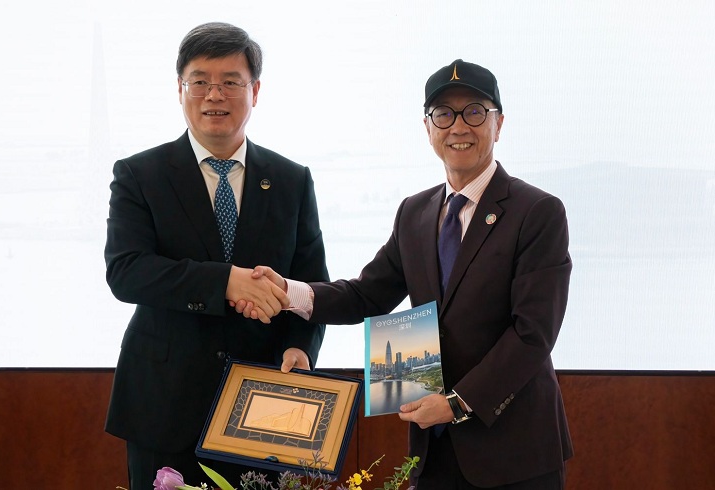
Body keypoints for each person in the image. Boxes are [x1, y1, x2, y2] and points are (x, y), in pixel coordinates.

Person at [238, 59, 573, 489]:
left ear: (499, 123)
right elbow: (366, 295)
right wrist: (289, 293)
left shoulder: (537, 212)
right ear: (428, 127)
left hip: (514, 450)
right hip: (433, 449)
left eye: (474, 111)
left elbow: (534, 333)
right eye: (443, 114)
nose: (458, 127)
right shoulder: (415, 211)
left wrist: (456, 403)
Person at [103, 22, 329, 490]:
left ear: (255, 90)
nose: (214, 95)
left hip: (261, 407)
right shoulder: (139, 174)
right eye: (200, 81)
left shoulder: (291, 179)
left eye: (231, 81)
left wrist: (299, 348)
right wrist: (226, 281)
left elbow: (310, 287)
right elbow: (126, 272)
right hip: (163, 406)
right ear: (180, 89)